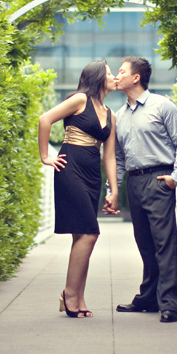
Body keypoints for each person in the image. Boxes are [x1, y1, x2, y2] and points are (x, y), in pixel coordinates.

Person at [103, 56, 177, 323]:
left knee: (164, 243)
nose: (117, 76)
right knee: (145, 244)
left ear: (136, 77)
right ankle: (149, 298)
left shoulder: (162, 105)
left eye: (121, 71)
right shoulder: (119, 116)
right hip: (135, 182)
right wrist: (113, 189)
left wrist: (176, 177)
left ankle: (170, 304)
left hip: (159, 179)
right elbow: (117, 157)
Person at [39, 61, 119, 318]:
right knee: (89, 233)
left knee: (81, 236)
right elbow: (45, 119)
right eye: (109, 72)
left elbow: (109, 156)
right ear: (97, 77)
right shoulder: (80, 99)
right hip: (69, 167)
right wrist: (45, 157)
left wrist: (113, 190)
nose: (114, 76)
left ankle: (78, 297)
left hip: (92, 174)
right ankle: (69, 294)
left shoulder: (111, 114)